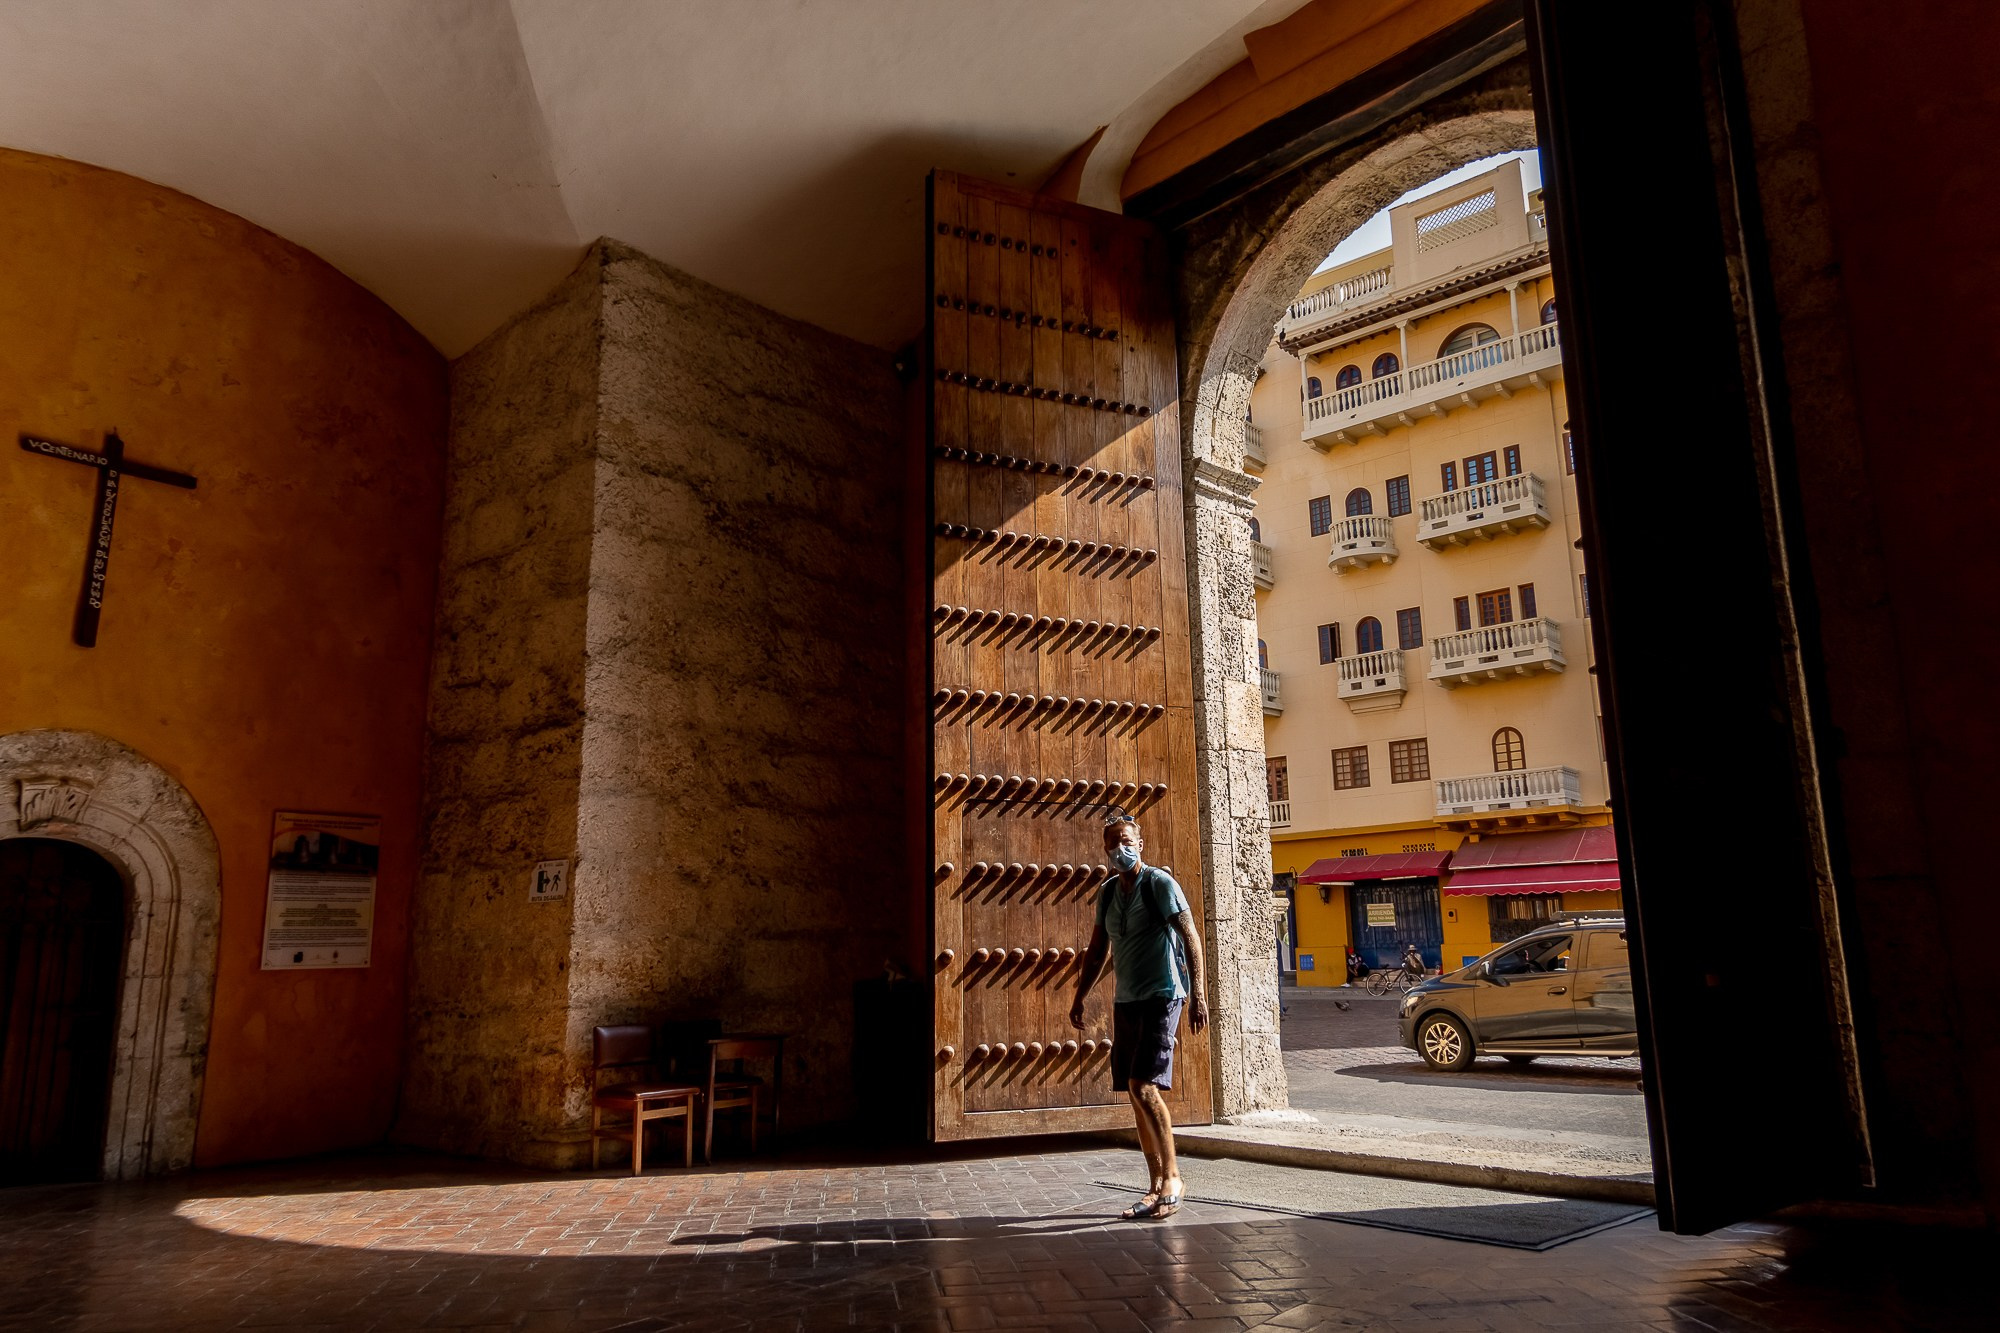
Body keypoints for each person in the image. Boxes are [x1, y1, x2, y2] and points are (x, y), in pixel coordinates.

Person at [1070, 815, 1208, 1221]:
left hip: (1164, 996)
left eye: (1125, 841)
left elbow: (1190, 936)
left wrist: (1198, 992)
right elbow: (1097, 951)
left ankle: (1174, 1178)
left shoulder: (1160, 884)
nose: (1119, 849)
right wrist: (1080, 995)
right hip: (1126, 1000)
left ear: (1140, 842)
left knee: (1143, 1085)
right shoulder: (1108, 892)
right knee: (1134, 1093)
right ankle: (1152, 1187)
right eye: (1111, 844)